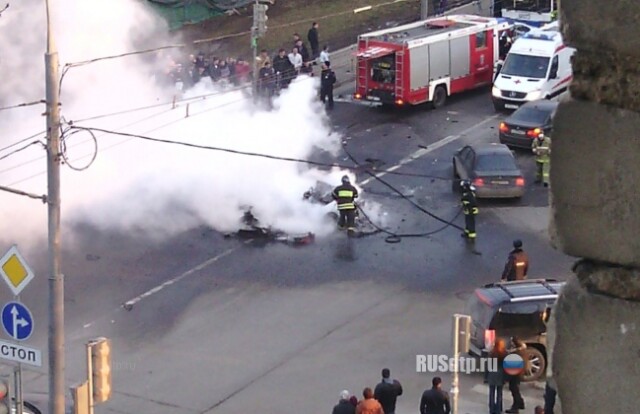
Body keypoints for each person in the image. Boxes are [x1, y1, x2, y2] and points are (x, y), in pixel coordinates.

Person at [505, 337, 527, 413]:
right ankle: (520, 402)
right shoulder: (522, 350)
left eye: (512, 342)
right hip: (519, 373)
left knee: (514, 388)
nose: (511, 344)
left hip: (515, 373)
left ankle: (516, 406)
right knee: (515, 388)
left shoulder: (516, 353)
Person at [488, 339, 507, 414]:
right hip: (500, 374)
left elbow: (488, 366)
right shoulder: (504, 354)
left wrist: (486, 377)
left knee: (491, 393)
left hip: (492, 375)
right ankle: (498, 409)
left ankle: (491, 409)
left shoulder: (491, 353)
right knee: (499, 393)